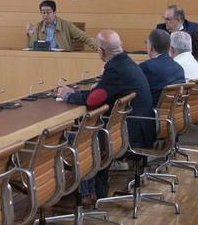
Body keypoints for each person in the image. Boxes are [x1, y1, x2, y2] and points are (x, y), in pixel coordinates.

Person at [53, 30, 154, 203]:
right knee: (91, 132)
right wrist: (77, 92)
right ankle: (95, 190)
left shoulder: (116, 69)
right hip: (138, 126)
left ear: (101, 51)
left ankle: (86, 194)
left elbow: (93, 100)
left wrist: (68, 95)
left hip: (129, 132)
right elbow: (102, 93)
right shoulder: (126, 63)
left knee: (78, 138)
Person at [25, 0, 96, 51]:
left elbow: (84, 37)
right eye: (43, 12)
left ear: (54, 12)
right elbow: (32, 47)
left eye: (48, 12)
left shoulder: (66, 25)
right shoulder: (38, 26)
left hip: (63, 58)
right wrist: (30, 34)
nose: (45, 15)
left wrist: (99, 48)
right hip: (44, 58)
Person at [139, 29, 185, 103]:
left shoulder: (146, 67)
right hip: (172, 113)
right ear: (169, 47)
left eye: (147, 43)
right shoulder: (179, 69)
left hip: (150, 113)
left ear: (152, 47)